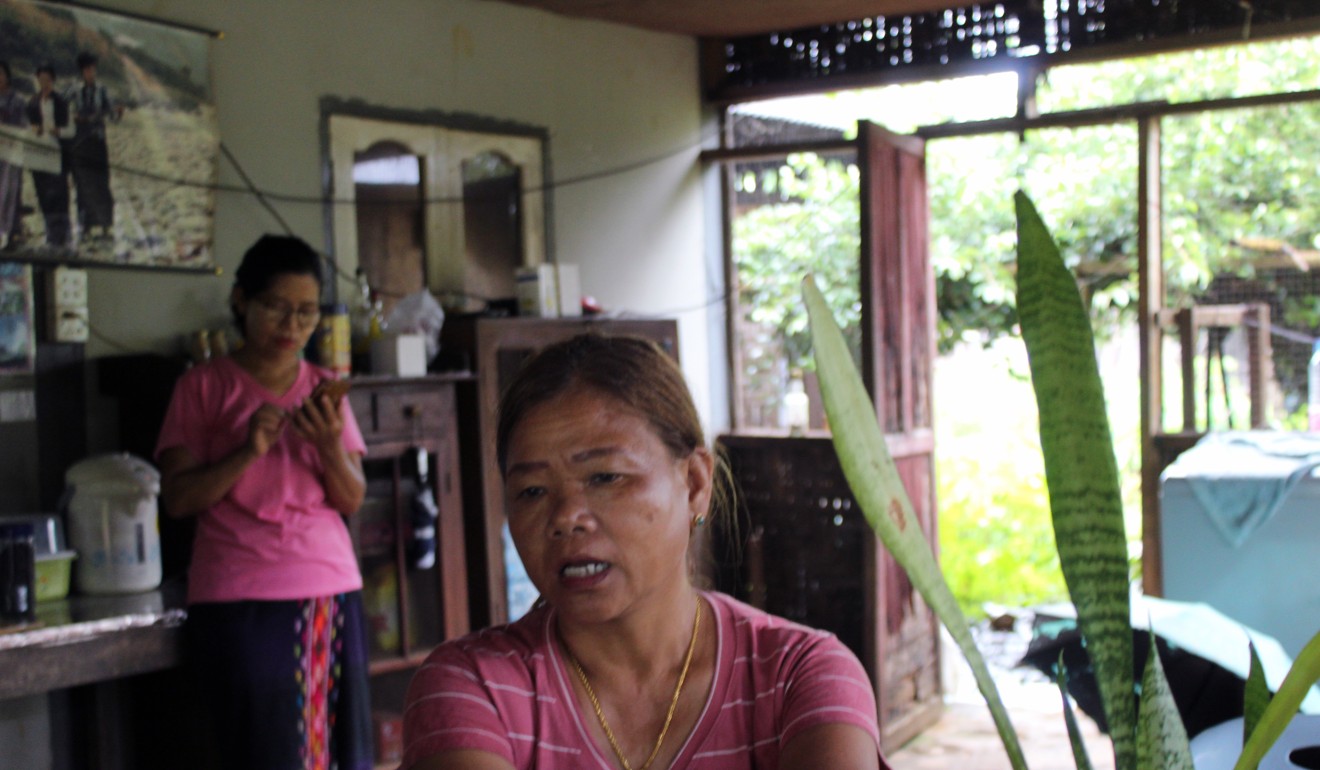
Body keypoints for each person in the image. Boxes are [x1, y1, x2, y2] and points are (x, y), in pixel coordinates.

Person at [402, 334, 888, 770]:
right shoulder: (473, 687)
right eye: (531, 491)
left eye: (605, 477)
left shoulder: (801, 676)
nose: (566, 516)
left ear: (695, 482)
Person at [155, 234, 373, 770]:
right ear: (240, 301)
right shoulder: (202, 388)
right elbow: (178, 499)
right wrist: (246, 451)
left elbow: (351, 499)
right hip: (234, 589)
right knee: (259, 748)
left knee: (328, 751)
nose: (292, 327)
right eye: (276, 308)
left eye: (306, 313)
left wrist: (326, 445)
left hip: (323, 585)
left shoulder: (325, 388)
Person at [66, 51, 121, 244]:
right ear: (82, 71)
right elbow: (61, 109)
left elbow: (113, 116)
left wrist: (117, 113)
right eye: (88, 69)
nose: (91, 72)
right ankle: (85, 226)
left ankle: (105, 225)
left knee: (101, 182)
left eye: (93, 69)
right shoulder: (74, 90)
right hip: (80, 142)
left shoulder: (103, 91)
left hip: (97, 141)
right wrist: (74, 118)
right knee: (82, 184)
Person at [25, 64, 72, 248]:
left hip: (57, 153)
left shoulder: (61, 102)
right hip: (38, 154)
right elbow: (26, 127)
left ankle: (64, 235)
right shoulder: (33, 102)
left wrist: (57, 131)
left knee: (59, 193)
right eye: (41, 79)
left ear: (53, 80)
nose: (44, 83)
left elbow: (70, 130)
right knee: (43, 193)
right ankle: (51, 234)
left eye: (47, 80)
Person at [0, 61, 27, 250]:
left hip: (11, 152)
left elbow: (23, 126)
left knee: (10, 191)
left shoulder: (17, 100)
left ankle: (9, 231)